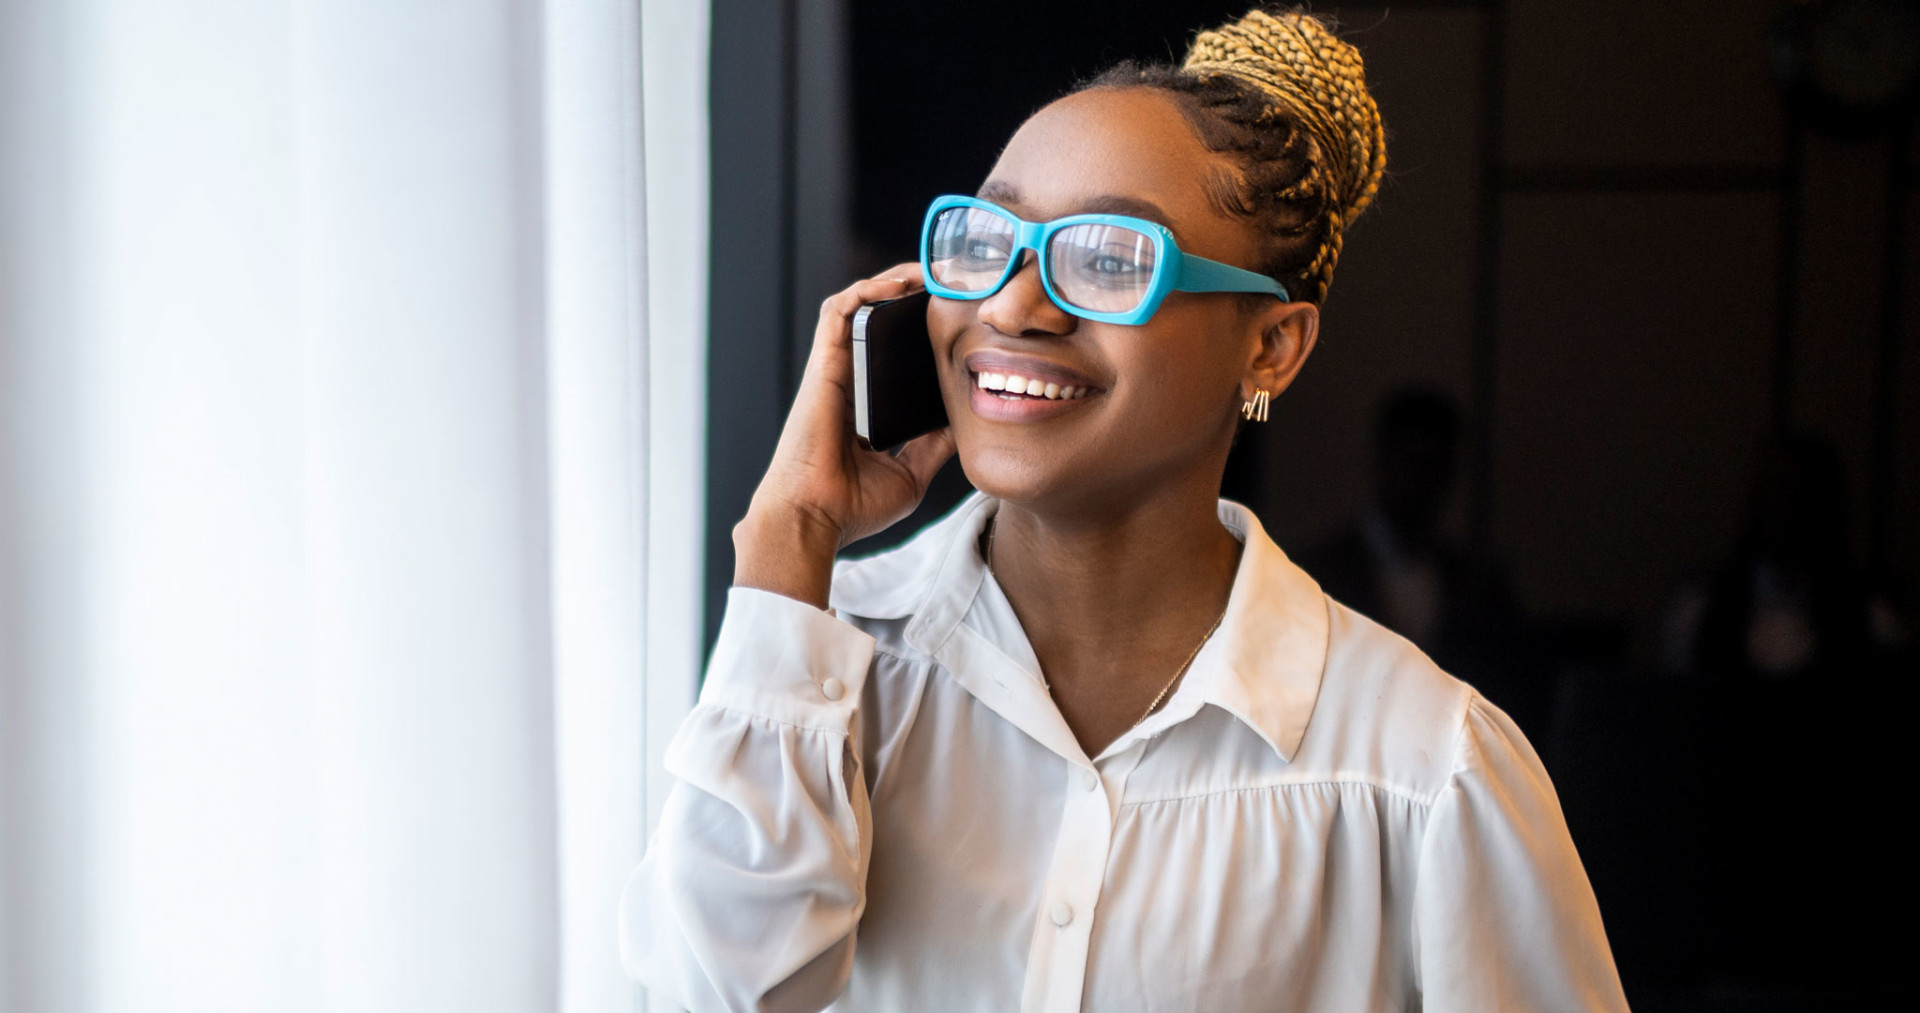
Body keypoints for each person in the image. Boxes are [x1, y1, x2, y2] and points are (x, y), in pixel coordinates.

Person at [621, 8, 1628, 1011]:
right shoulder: (814, 671)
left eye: (1107, 258)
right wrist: (788, 536)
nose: (1015, 306)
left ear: (1272, 346)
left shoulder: (1421, 770)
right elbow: (706, 993)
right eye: (987, 238)